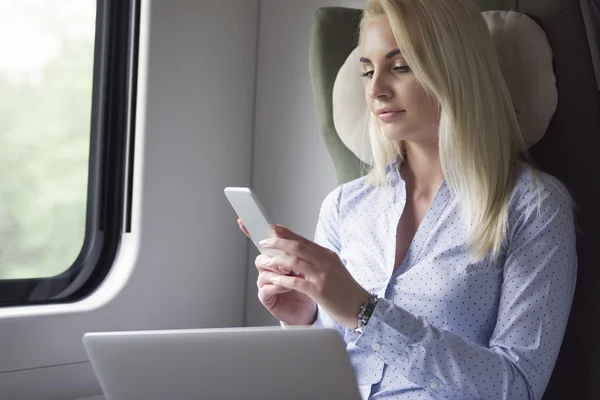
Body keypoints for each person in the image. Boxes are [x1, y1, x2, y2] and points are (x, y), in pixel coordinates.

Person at [238, 0, 577, 398]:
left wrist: (366, 313)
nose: (376, 89)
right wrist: (304, 321)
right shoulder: (343, 207)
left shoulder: (531, 206)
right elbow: (325, 372)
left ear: (456, 68)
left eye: (400, 67)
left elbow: (516, 387)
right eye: (367, 71)